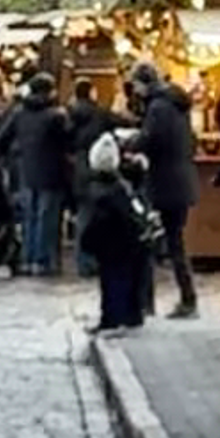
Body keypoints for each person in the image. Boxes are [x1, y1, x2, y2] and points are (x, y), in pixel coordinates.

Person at [134, 58, 203, 319]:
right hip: (181, 179)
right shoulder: (176, 105)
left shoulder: (158, 107)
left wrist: (129, 143)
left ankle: (161, 301)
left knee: (159, 242)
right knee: (174, 242)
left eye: (135, 85)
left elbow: (150, 139)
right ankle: (184, 298)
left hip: (165, 182)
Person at [78, 125, 158, 330]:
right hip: (130, 241)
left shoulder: (98, 190)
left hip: (113, 244)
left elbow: (95, 221)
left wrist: (88, 242)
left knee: (112, 280)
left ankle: (112, 319)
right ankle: (132, 314)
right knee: (129, 277)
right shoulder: (122, 187)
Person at [3, 70, 69, 285]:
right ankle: (43, 260)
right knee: (46, 218)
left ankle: (28, 258)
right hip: (51, 172)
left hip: (26, 171)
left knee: (29, 217)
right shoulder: (56, 116)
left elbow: (2, 138)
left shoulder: (19, 113)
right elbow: (68, 141)